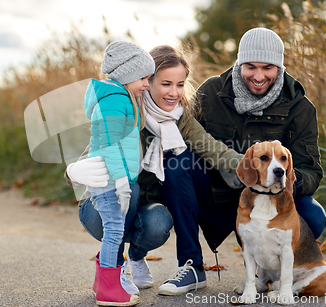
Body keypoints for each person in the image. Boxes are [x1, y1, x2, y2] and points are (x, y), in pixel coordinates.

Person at [66, 45, 243, 296]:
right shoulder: (125, 108)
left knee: (161, 217)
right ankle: (114, 268)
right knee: (131, 186)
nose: (174, 93)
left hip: (145, 209)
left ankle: (138, 257)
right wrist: (73, 171)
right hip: (102, 206)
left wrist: (254, 166)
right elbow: (96, 151)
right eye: (166, 84)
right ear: (147, 80)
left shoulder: (180, 117)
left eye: (180, 84)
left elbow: (213, 148)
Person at [193, 27, 326, 256]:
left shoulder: (301, 108)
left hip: (273, 200)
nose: (258, 76)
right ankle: (191, 263)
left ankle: (274, 266)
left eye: (267, 68)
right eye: (250, 67)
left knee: (313, 216)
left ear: (279, 67)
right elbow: (186, 138)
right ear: (239, 64)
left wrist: (283, 181)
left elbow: (311, 170)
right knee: (180, 165)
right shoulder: (210, 92)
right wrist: (228, 169)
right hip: (219, 196)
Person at [68, 41, 154, 306]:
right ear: (128, 74)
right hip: (108, 180)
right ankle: (109, 289)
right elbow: (108, 144)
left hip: (113, 178)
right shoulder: (114, 100)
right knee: (114, 231)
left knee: (114, 230)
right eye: (144, 78)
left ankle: (103, 282)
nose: (147, 84)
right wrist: (120, 181)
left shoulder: (120, 97)